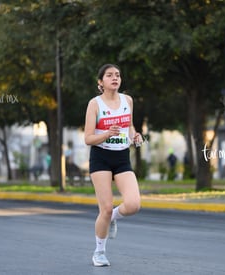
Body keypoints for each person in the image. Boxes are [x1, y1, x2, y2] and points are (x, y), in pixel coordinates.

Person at [84, 64, 142, 267]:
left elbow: (129, 125)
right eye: (109, 75)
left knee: (134, 204)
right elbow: (88, 138)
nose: (114, 78)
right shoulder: (95, 104)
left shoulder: (128, 100)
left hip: (122, 157)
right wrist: (107, 134)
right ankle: (99, 252)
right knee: (105, 208)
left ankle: (113, 217)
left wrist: (134, 135)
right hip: (101, 158)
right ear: (101, 82)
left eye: (117, 75)